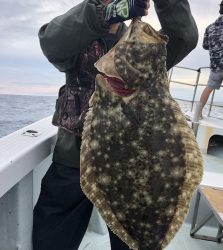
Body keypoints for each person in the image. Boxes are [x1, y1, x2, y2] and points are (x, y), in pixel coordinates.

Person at [32, 0, 198, 249]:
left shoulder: (146, 48)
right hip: (72, 161)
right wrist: (104, 13)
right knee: (51, 240)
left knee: (136, 238)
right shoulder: (77, 37)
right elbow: (51, 42)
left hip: (135, 168)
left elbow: (183, 36)